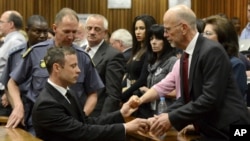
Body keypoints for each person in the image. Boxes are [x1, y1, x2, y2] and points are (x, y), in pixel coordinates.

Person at [146, 5, 250, 140]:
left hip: (232, 129)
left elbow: (209, 99)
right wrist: (160, 118)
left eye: (167, 30)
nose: (165, 35)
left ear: (183, 28)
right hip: (210, 128)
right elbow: (186, 99)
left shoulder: (212, 51)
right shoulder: (186, 55)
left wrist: (171, 118)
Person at [6, 8, 103, 133]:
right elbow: (12, 82)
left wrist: (80, 116)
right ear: (55, 28)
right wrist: (18, 106)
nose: (71, 36)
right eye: (66, 31)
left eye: (74, 32)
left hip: (71, 126)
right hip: (38, 125)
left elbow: (93, 93)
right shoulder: (36, 52)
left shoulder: (83, 57)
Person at [32, 47, 150, 141]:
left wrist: (121, 114)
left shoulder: (69, 93)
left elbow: (86, 122)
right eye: (73, 66)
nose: (78, 70)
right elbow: (82, 132)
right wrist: (125, 128)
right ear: (57, 68)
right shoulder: (47, 104)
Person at [0, 15, 48, 134]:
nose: (42, 36)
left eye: (45, 32)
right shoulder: (15, 54)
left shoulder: (52, 55)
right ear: (27, 31)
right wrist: (16, 106)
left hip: (41, 113)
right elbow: (8, 84)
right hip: (19, 111)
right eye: (37, 31)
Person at [84, 14, 126, 117]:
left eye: (97, 29)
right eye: (89, 28)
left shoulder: (113, 55)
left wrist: (103, 121)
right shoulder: (80, 50)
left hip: (97, 115)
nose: (92, 32)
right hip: (78, 113)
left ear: (105, 33)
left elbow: (113, 95)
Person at [203, 15, 247, 100]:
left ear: (222, 37)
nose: (203, 37)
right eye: (203, 33)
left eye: (208, 34)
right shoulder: (206, 62)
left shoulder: (236, 65)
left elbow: (233, 100)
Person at [122, 14, 156, 118]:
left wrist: (123, 95)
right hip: (130, 94)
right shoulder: (137, 50)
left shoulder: (150, 51)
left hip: (141, 98)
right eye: (136, 28)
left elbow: (142, 80)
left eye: (142, 28)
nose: (138, 32)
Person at [0, 10, 26, 116]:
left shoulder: (16, 42)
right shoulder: (9, 40)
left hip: (4, 94)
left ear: (11, 24)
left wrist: (8, 94)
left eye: (1, 22)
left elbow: (17, 70)